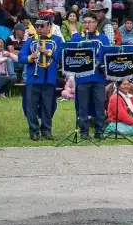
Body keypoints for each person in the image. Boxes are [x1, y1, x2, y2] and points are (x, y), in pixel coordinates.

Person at [20, 17, 63, 140]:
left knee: (48, 107)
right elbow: (21, 57)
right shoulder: (30, 41)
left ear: (49, 26)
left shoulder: (57, 40)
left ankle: (46, 130)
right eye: (37, 26)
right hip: (33, 79)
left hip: (49, 79)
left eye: (42, 26)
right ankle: (34, 131)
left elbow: (60, 55)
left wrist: (47, 52)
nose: (39, 28)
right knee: (31, 107)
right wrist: (30, 57)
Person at [70, 12, 110, 140]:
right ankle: (84, 132)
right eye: (85, 22)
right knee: (83, 106)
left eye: (90, 22)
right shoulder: (77, 38)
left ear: (96, 24)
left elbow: (107, 56)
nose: (87, 25)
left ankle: (99, 131)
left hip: (98, 77)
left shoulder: (103, 38)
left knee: (99, 105)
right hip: (82, 77)